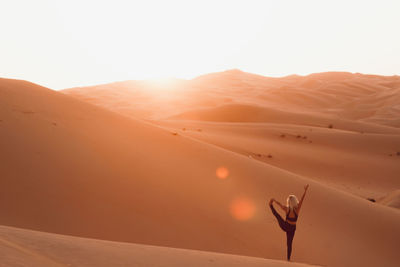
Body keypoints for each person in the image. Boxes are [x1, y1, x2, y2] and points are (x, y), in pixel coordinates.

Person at [269, 184, 309, 261]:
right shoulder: (297, 210)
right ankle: (288, 259)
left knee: (278, 216)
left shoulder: (287, 209)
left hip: (285, 226)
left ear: (289, 202)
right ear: (295, 201)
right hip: (292, 228)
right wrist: (305, 191)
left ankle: (270, 206)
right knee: (289, 244)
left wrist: (274, 200)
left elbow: (280, 204)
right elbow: (301, 200)